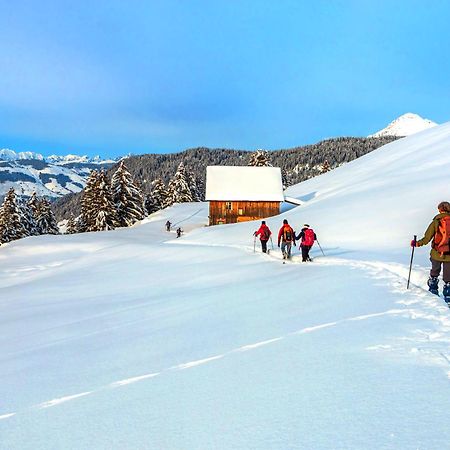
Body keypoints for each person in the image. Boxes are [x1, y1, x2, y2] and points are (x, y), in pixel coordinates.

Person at [411, 201, 450, 303]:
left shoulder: (436, 222)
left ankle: (433, 288)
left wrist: (417, 243)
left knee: (435, 271)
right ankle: (448, 294)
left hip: (436, 253)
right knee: (448, 276)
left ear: (440, 210)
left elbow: (427, 238)